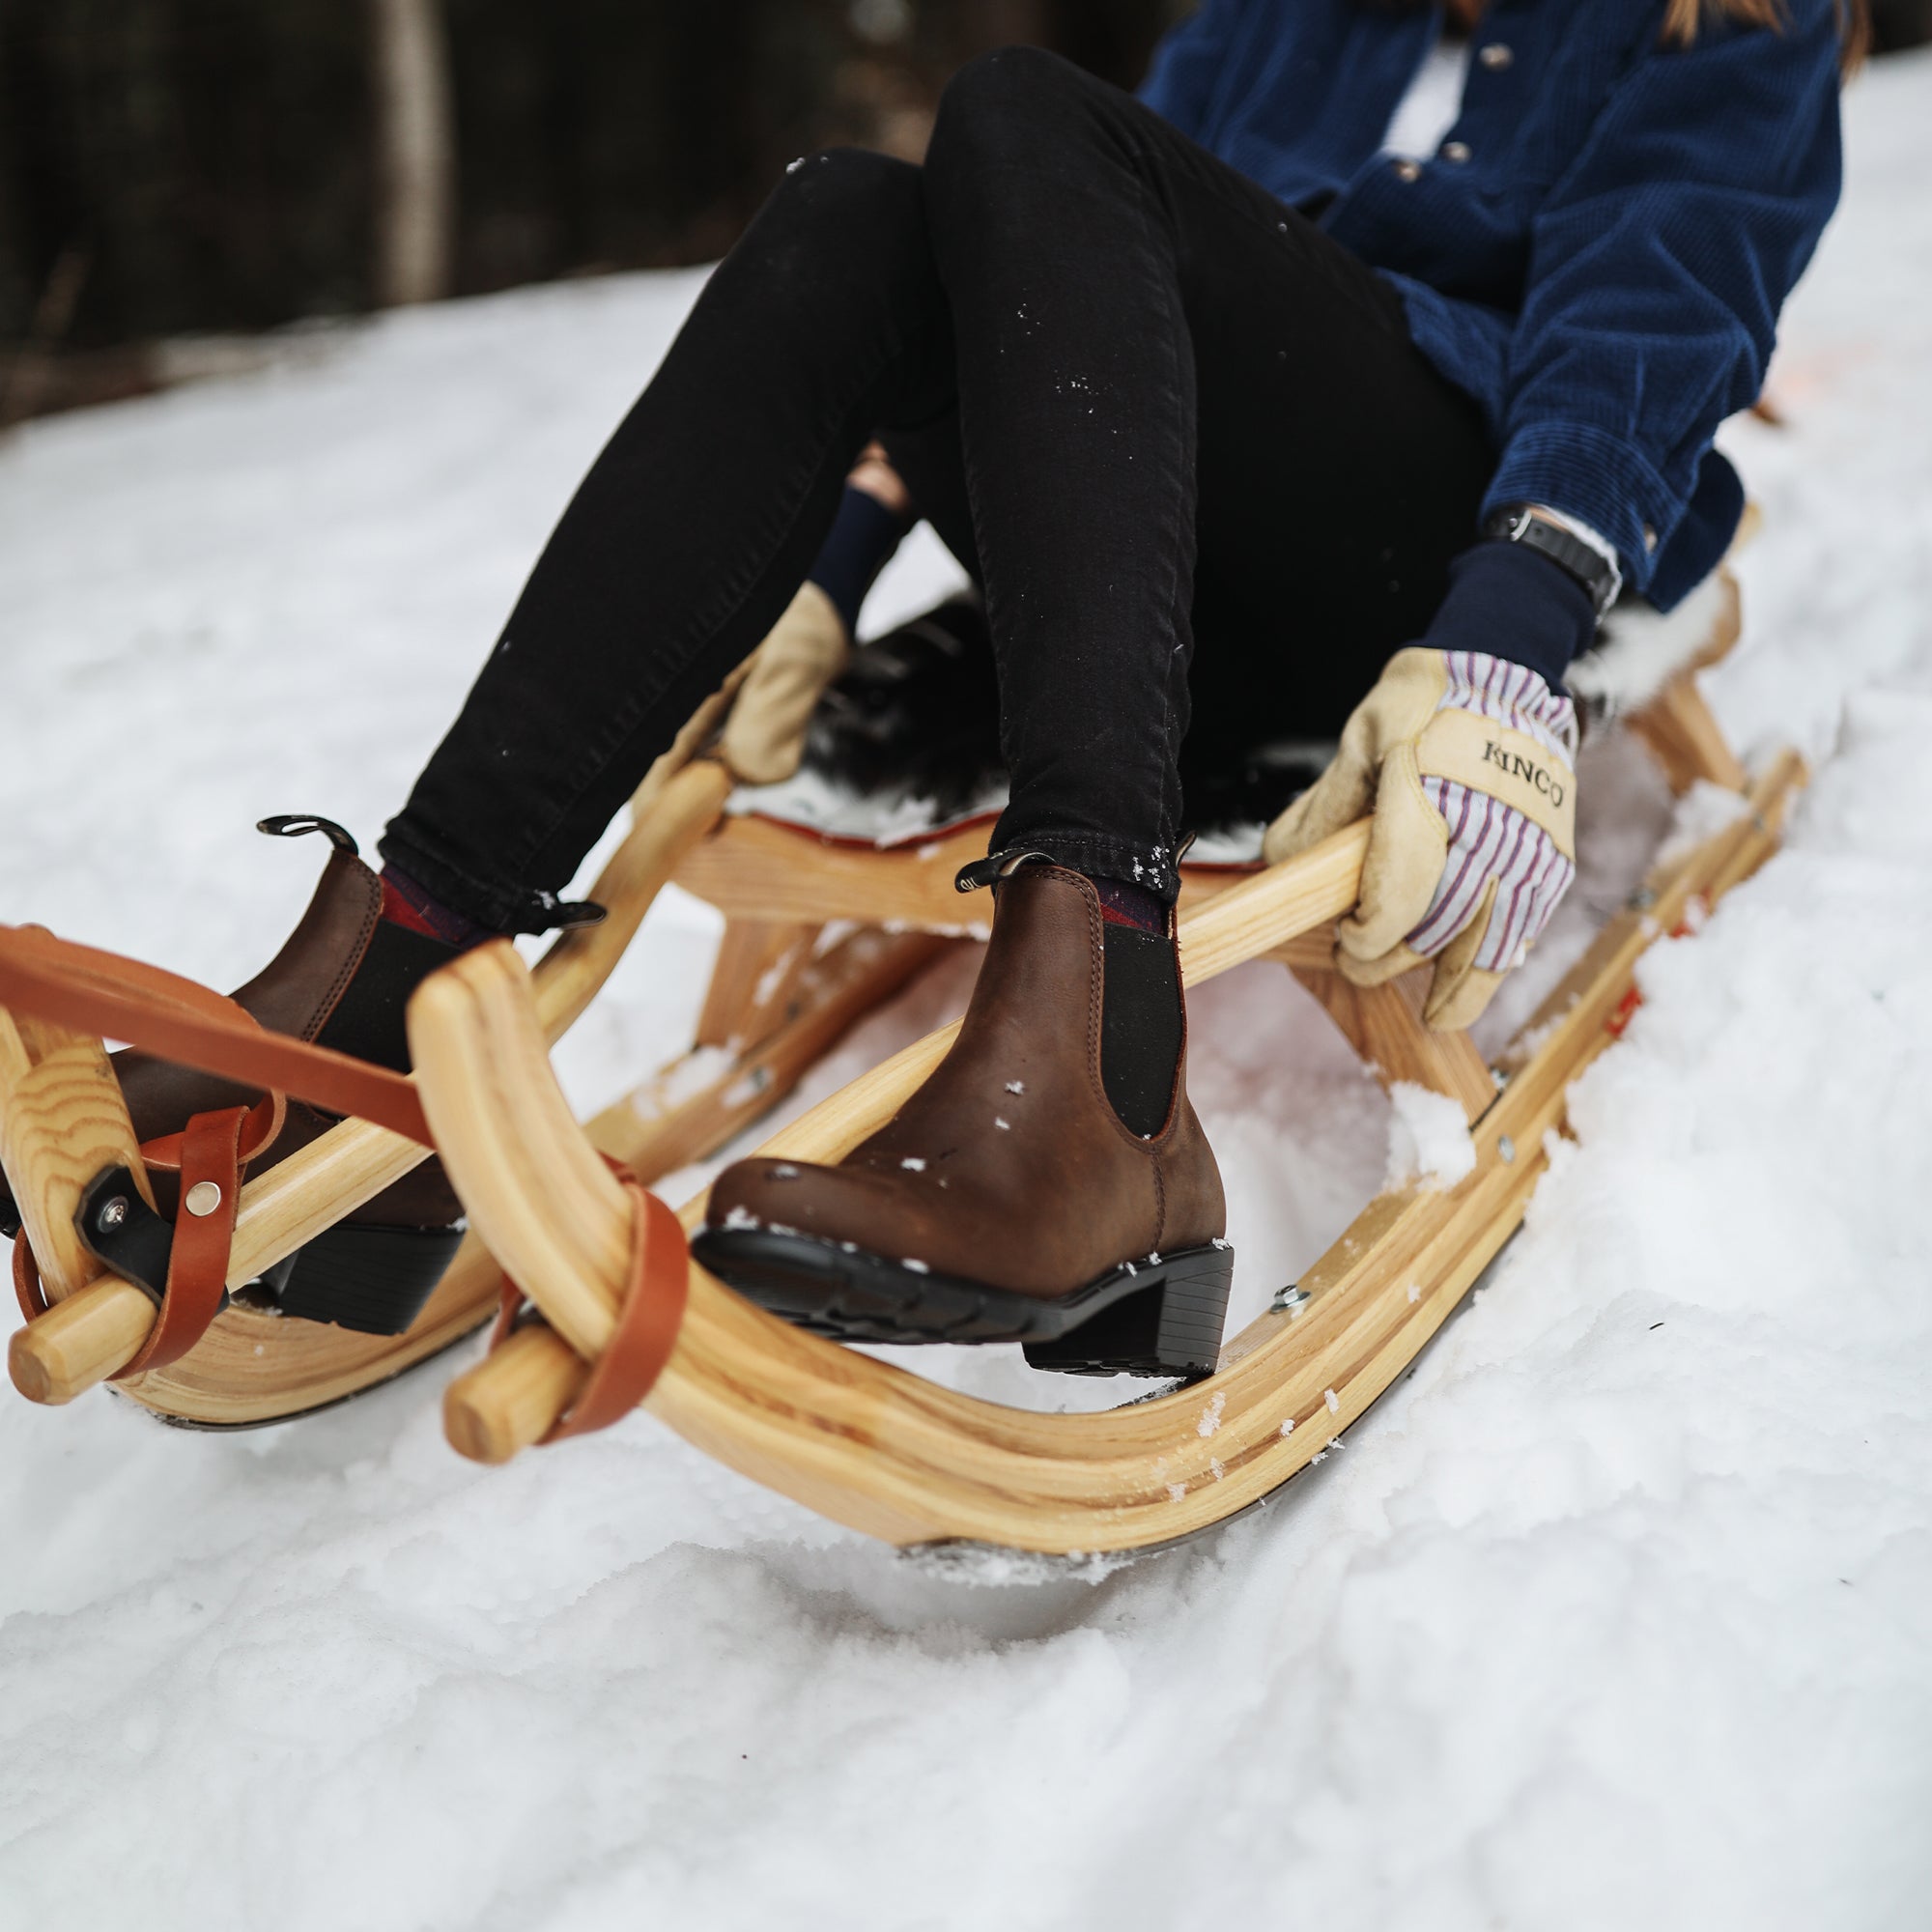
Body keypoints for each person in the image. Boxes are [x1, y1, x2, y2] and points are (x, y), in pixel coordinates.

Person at [111, 0, 1860, 1373]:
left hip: (1435, 556)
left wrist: (1514, 621)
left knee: (1023, 108)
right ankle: (406, 975)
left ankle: (1101, 1047)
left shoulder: (1733, 18)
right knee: (855, 216)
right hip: (1181, 556)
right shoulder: (1295, 9)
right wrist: (824, 582)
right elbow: (1055, 278)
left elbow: (1662, 311)